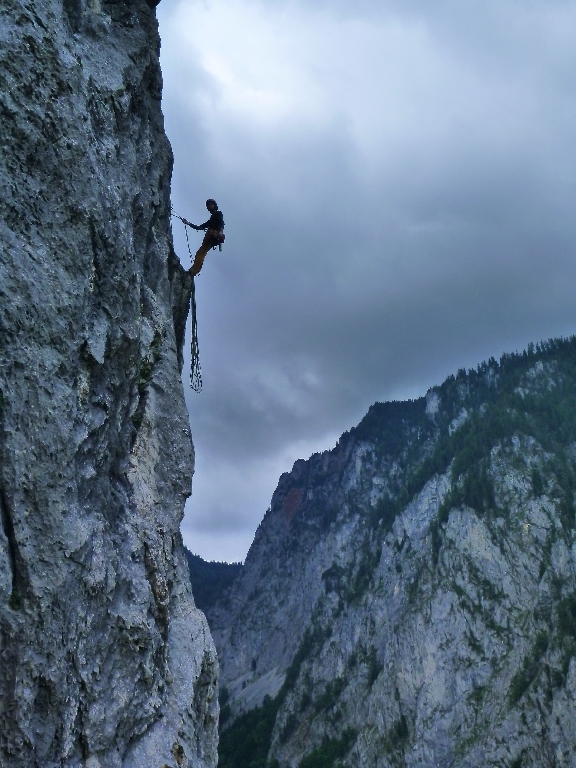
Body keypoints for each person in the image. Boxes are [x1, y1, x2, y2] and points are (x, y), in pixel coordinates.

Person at [183, 199, 225, 277]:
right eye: (208, 205)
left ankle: (194, 270)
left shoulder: (218, 213)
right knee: (199, 253)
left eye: (211, 205)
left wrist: (220, 232)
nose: (209, 206)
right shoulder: (211, 220)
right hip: (211, 237)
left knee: (201, 253)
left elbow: (221, 222)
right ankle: (195, 269)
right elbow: (200, 227)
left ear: (215, 206)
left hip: (213, 236)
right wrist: (188, 223)